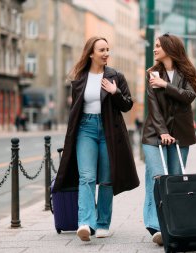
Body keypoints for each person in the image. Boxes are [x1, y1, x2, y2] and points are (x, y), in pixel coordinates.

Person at [52, 36, 139, 241]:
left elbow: (127, 104)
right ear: (91, 53)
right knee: (87, 177)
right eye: (102, 50)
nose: (106, 53)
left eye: (108, 49)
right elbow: (75, 109)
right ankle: (85, 223)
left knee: (107, 180)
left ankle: (102, 224)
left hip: (109, 131)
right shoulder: (80, 78)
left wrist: (115, 91)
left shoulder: (116, 75)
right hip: (86, 130)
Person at [141, 33, 196, 246]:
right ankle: (156, 227)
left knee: (175, 179)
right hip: (154, 134)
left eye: (158, 46)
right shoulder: (152, 73)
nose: (155, 49)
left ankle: (174, 225)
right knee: (157, 176)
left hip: (180, 135)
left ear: (169, 47)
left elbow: (189, 96)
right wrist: (163, 132)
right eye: (154, 45)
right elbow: (153, 107)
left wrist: (165, 85)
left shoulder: (186, 72)